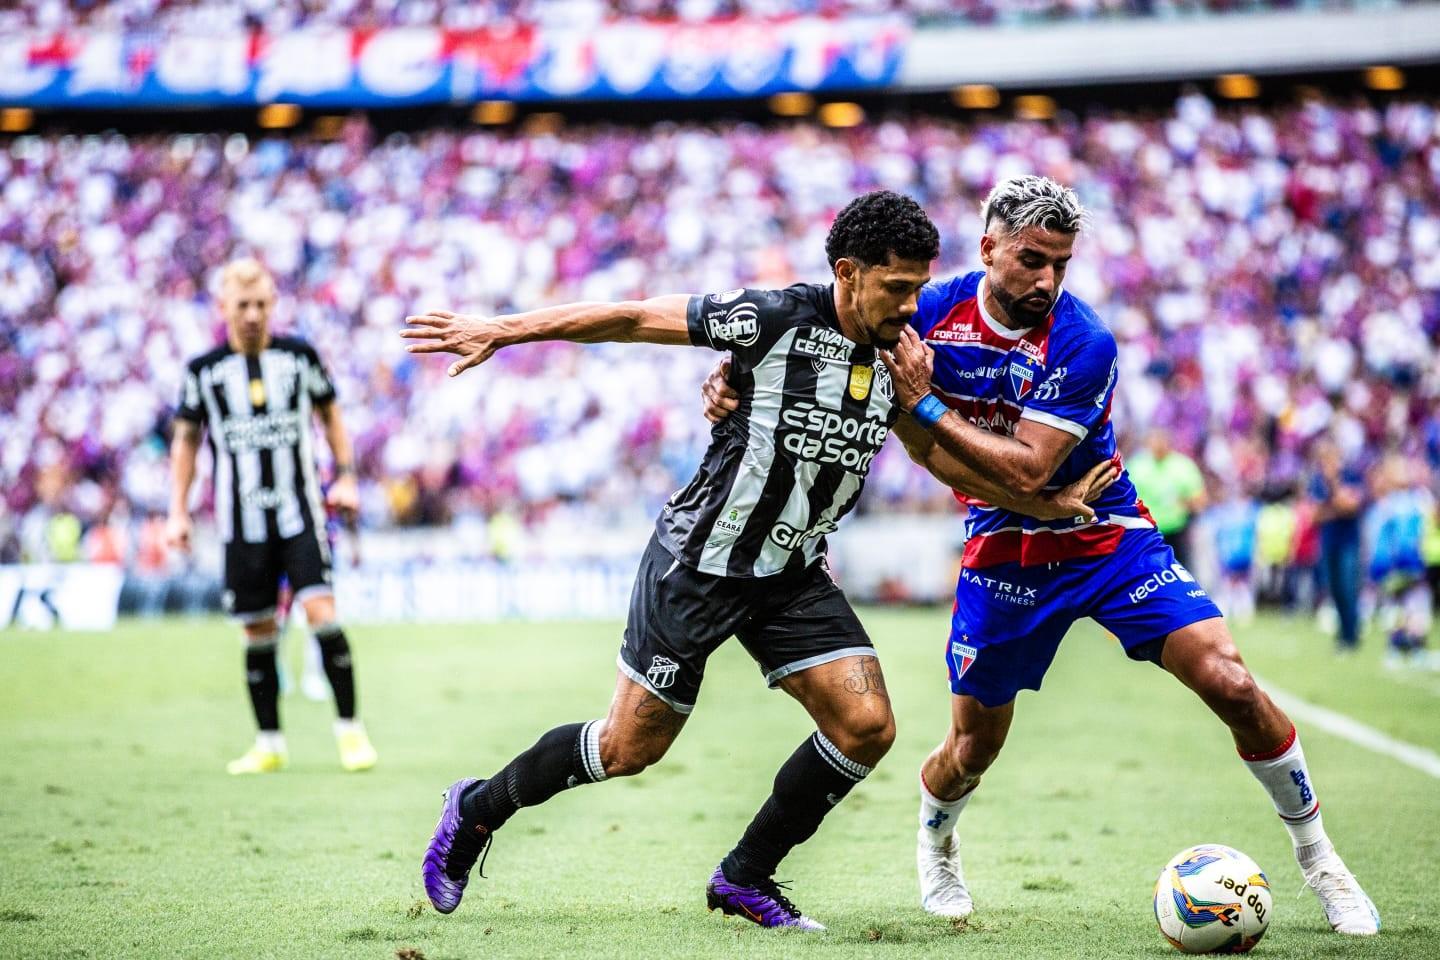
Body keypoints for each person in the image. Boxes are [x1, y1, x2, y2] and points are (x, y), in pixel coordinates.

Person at [402, 191, 1110, 930]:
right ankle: (477, 808)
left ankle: (746, 876)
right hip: (699, 563)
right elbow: (636, 316)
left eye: (918, 288)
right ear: (848, 273)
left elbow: (931, 452)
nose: (912, 306)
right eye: (898, 289)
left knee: (866, 727)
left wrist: (1039, 508)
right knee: (627, 746)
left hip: (793, 573)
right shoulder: (773, 318)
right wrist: (503, 331)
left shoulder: (904, 354)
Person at [702, 176, 1378, 937]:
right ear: (989, 247)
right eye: (1030, 259)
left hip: (1102, 530)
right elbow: (816, 331)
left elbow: (1028, 469)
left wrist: (925, 406)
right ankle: (937, 838)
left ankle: (1320, 859)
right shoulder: (926, 310)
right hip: (1004, 547)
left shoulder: (1083, 341)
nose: (1046, 280)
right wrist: (731, 378)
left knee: (1231, 681)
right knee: (972, 747)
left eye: (1061, 263)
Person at [167, 258, 378, 775]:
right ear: (223, 309)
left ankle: (350, 733)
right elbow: (187, 441)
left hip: (300, 513)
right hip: (242, 525)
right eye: (243, 306)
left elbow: (331, 414)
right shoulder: (204, 372)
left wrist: (346, 476)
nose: (255, 315)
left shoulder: (299, 357)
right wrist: (178, 511)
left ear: (273, 305)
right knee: (258, 632)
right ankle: (269, 743)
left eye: (262, 304)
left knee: (323, 614)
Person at [1364, 454, 1433, 668]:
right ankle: (1402, 646)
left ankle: (1407, 646)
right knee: (1406, 606)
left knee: (1409, 607)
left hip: (1404, 565)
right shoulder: (1401, 504)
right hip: (1401, 565)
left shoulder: (1411, 501)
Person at [1307, 437, 1365, 653]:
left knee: (1349, 588)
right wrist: (1335, 509)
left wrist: (1334, 488)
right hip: (1329, 541)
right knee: (1334, 589)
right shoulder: (1317, 480)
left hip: (1348, 542)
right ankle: (1343, 633)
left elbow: (1350, 505)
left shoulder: (1349, 476)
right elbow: (1314, 516)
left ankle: (1351, 635)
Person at [1126, 428, 1207, 572]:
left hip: (1177, 531)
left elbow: (1200, 500)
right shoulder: (1137, 467)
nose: (1157, 445)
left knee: (1181, 572)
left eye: (1161, 441)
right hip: (1148, 533)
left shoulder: (1183, 466)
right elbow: (1126, 500)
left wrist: (1185, 503)